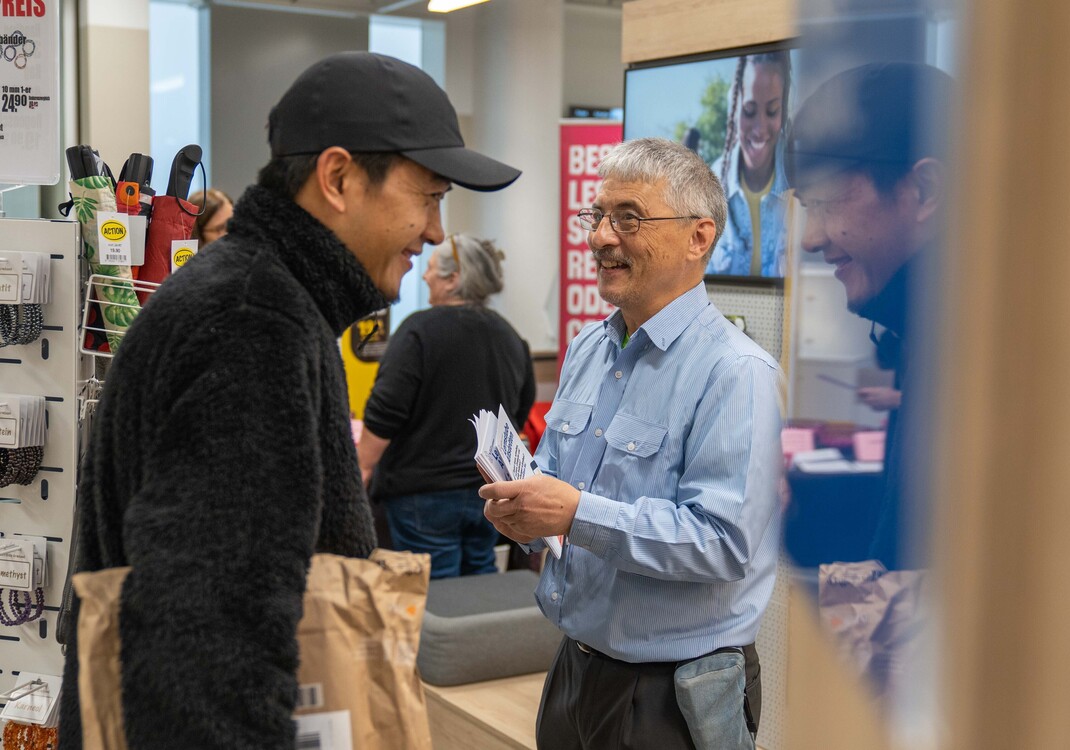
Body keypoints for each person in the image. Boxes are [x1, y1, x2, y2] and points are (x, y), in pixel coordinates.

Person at [60, 51, 519, 749]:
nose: (433, 232)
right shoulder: (251, 324)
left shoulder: (261, 297)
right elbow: (207, 652)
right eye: (428, 196)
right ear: (338, 178)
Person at [481, 137, 783, 749]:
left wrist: (574, 512)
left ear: (699, 237)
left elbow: (725, 544)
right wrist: (525, 512)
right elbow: (559, 484)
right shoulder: (591, 349)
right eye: (597, 216)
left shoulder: (737, 374)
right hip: (574, 670)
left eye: (629, 218)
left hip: (673, 697)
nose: (600, 237)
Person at [785, 61, 953, 569]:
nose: (811, 238)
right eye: (804, 206)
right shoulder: (926, 335)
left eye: (828, 200)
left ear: (924, 191)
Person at [357, 233, 536, 578]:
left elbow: (386, 411)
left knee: (433, 598)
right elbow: (518, 411)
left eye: (433, 270)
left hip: (421, 496)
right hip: (488, 493)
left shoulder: (418, 331)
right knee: (479, 585)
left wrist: (362, 468)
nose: (424, 276)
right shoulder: (510, 335)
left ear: (454, 279)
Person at [706, 51, 793, 278]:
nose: (760, 127)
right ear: (733, 110)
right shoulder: (709, 186)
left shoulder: (804, 183)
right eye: (749, 111)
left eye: (772, 111)